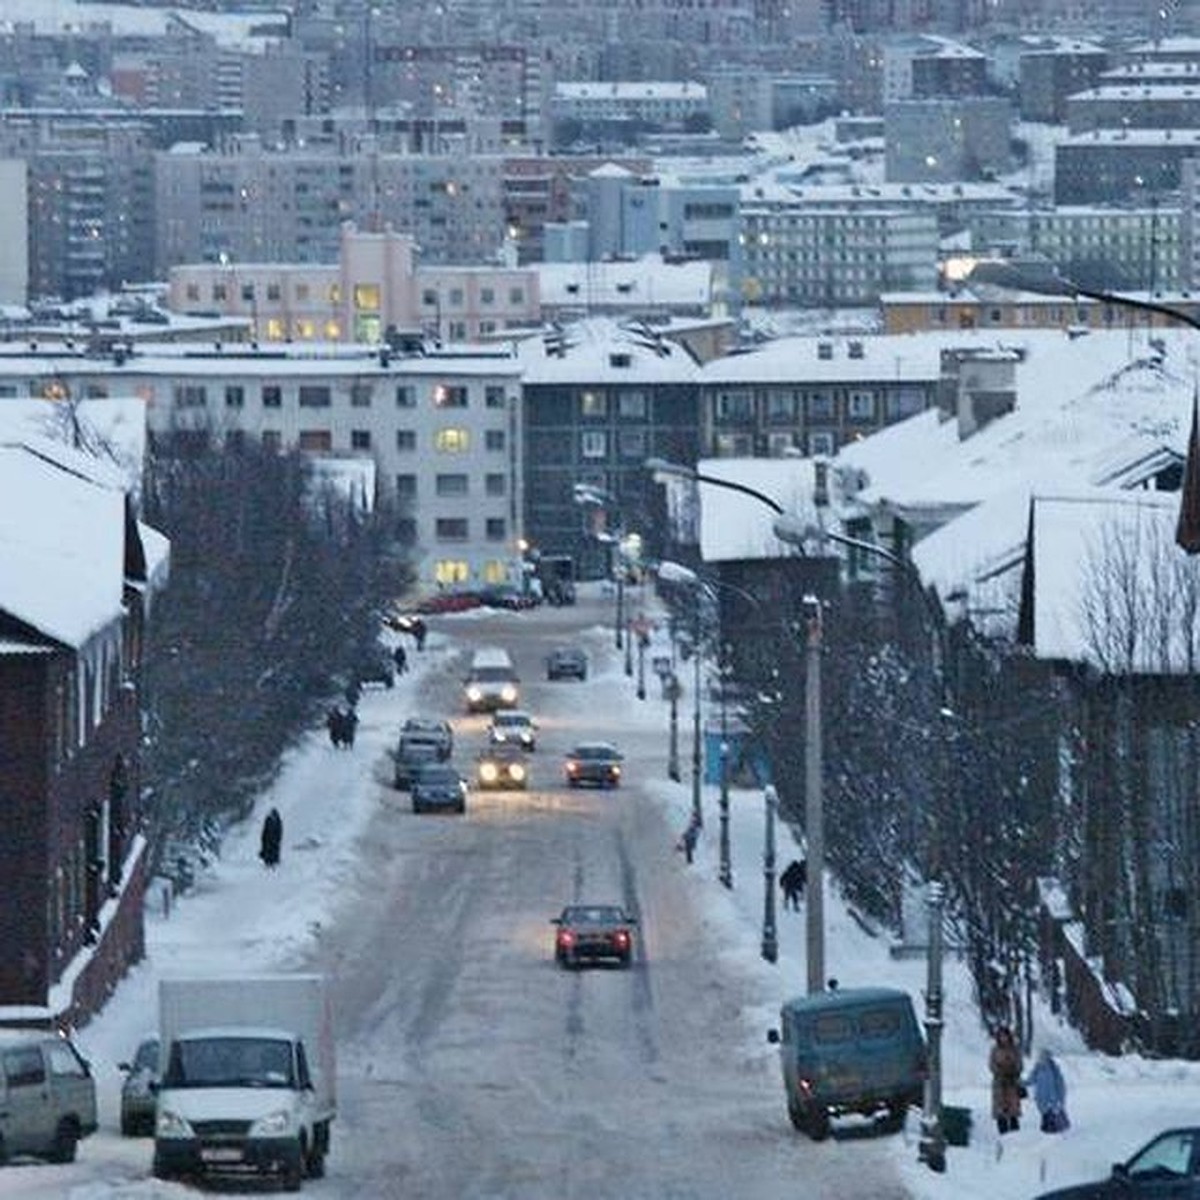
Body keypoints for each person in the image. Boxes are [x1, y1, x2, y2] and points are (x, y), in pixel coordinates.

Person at [1026, 1048, 1069, 1133]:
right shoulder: (1037, 1069)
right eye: (1040, 1057)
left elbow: (1061, 1085)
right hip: (1041, 1099)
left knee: (1052, 1122)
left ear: (1049, 1058)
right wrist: (1019, 1082)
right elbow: (1030, 1080)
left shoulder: (1054, 1070)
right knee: (1044, 1120)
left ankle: (1056, 1139)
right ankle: (1048, 1139)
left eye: (1044, 1057)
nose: (1041, 1059)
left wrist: (1061, 1099)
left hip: (1052, 1100)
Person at [989, 1025, 1023, 1134]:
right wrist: (999, 1070)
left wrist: (1014, 1071)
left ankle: (1015, 1136)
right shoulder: (995, 1050)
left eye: (1005, 1036)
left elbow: (1020, 1064)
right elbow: (991, 1064)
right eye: (1001, 1036)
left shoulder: (1014, 1049)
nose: (1004, 1038)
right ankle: (1003, 1134)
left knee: (1013, 1111)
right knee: (1000, 1111)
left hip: (1012, 1082)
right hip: (999, 1082)